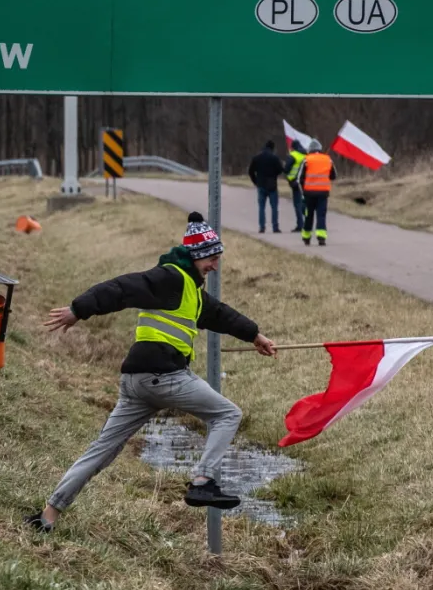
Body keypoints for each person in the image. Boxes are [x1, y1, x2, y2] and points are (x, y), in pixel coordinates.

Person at [26, 212, 277, 532]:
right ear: (198, 256)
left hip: (136, 383)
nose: (215, 265)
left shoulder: (190, 289)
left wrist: (255, 336)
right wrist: (79, 309)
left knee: (101, 452)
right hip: (164, 376)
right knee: (228, 414)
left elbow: (221, 315)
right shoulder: (169, 278)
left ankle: (47, 516)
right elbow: (122, 288)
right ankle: (203, 480)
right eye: (212, 258)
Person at [298, 139, 334, 247]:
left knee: (308, 215)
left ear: (310, 149)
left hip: (309, 193)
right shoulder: (328, 159)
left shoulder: (306, 160)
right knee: (321, 215)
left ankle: (306, 237)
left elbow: (299, 178)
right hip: (323, 193)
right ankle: (321, 237)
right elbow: (333, 175)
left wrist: (303, 192)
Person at [247, 140, 285, 235]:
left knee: (261, 207)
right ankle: (275, 227)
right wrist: (274, 175)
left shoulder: (257, 158)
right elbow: (281, 170)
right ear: (273, 148)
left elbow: (250, 171)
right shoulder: (274, 158)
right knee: (274, 207)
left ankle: (262, 227)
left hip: (261, 184)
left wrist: (255, 181)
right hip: (272, 184)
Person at [284, 139, 307, 233]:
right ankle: (308, 222)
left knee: (297, 204)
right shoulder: (306, 155)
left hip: (295, 182)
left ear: (293, 147)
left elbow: (286, 169)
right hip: (306, 182)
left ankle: (300, 225)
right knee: (303, 203)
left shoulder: (293, 155)